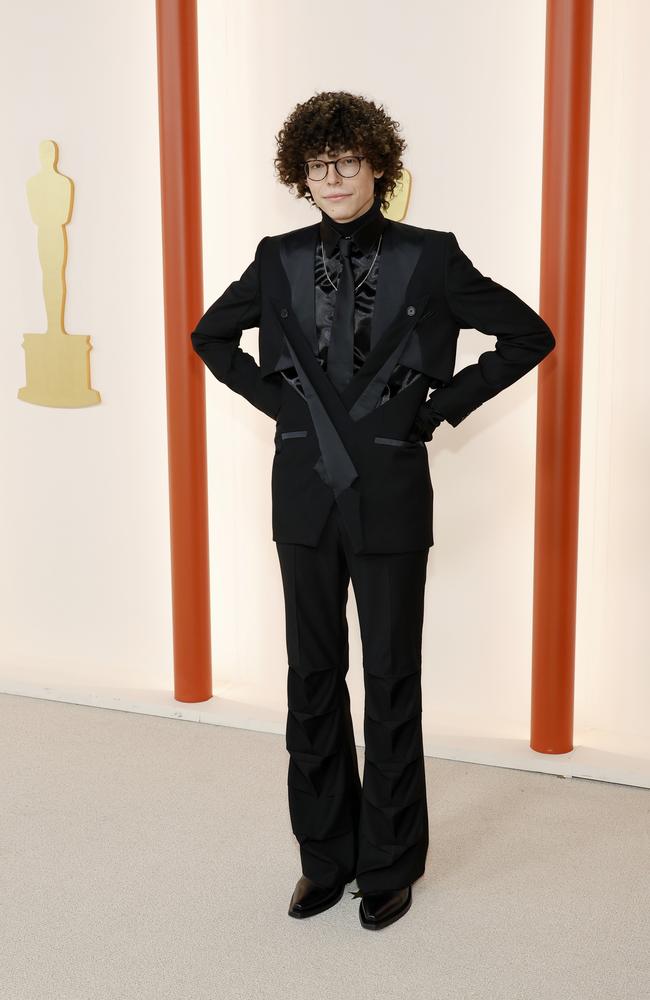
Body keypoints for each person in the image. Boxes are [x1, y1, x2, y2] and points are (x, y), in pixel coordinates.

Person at [190, 90, 556, 930]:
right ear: (301, 174)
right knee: (311, 679)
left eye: (347, 161)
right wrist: (280, 407)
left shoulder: (433, 257)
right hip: (305, 498)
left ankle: (390, 860)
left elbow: (528, 334)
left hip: (391, 494)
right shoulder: (276, 259)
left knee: (393, 680)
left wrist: (439, 408)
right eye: (319, 165)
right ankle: (324, 855)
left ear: (379, 165)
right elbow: (211, 336)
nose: (333, 177)